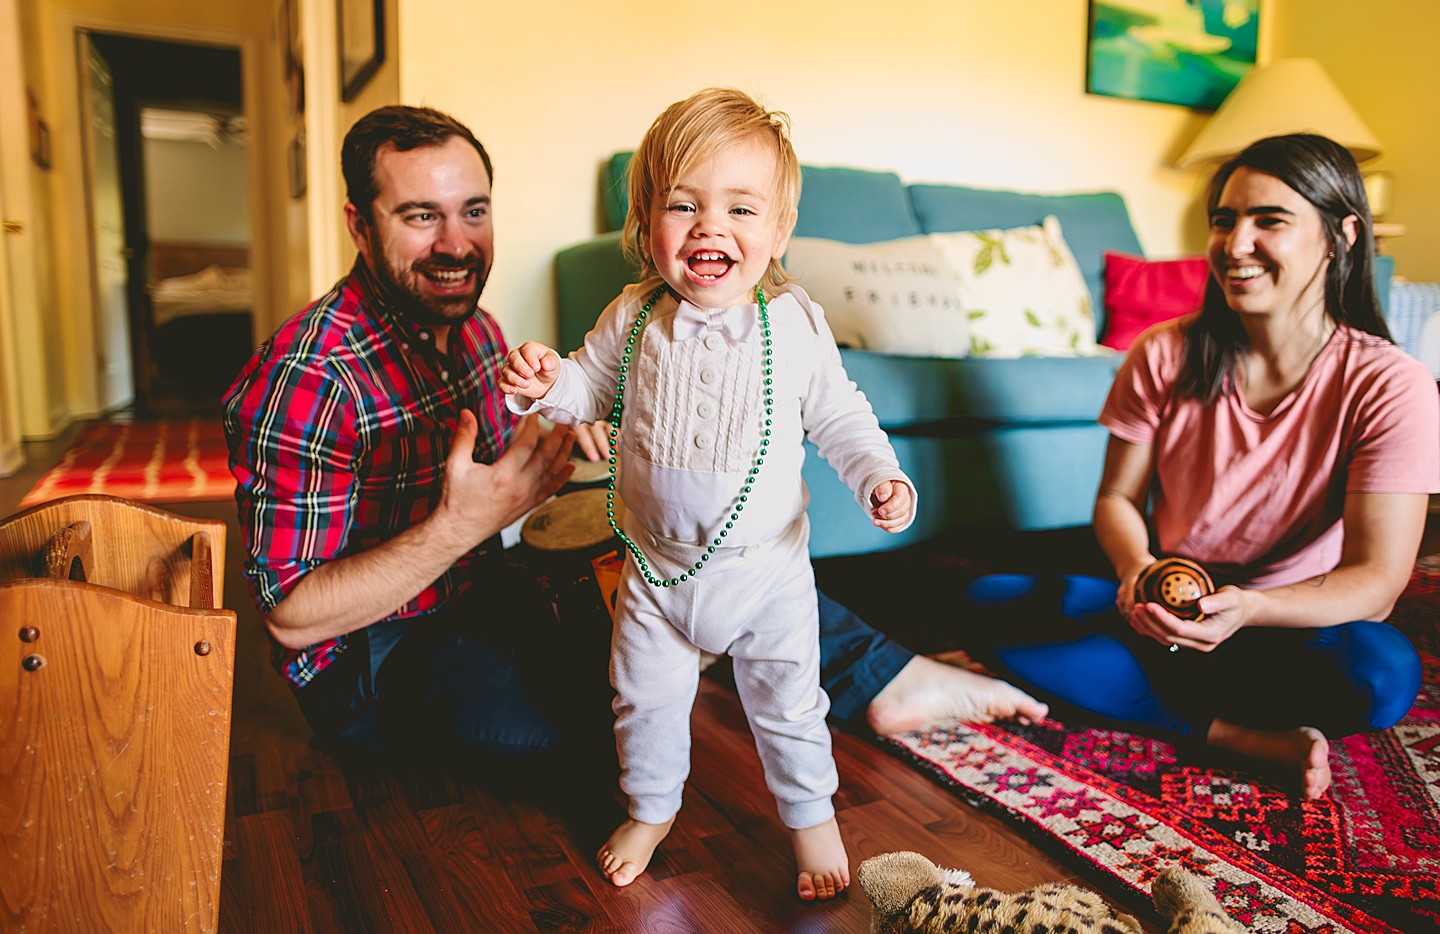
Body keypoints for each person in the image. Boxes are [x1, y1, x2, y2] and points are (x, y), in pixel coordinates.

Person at [222, 101, 1045, 858]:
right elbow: (293, 619)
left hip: (486, 580)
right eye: (419, 215)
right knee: (613, 727)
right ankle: (703, 739)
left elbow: (570, 400)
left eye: (472, 210)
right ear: (359, 227)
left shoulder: (472, 329)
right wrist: (468, 523)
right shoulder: (306, 378)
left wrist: (575, 411)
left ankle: (889, 676)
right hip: (373, 654)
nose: (455, 243)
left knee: (732, 558)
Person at [501, 88, 917, 899]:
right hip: (655, 572)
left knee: (789, 704)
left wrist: (878, 473)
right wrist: (546, 382)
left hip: (765, 574)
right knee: (643, 701)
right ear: (645, 226)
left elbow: (839, 412)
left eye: (739, 208)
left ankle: (812, 819)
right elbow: (585, 388)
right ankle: (651, 809)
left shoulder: (793, 323)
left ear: (778, 232)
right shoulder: (634, 316)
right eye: (682, 204)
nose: (709, 227)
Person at [964, 133, 1439, 800]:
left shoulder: (1391, 384)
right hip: (1165, 618)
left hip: (1290, 625)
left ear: (1341, 236)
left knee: (1383, 674)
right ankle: (1237, 734)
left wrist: (1249, 608)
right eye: (1224, 220)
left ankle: (1163, 699)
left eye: (1268, 220)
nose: (1234, 243)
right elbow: (1117, 501)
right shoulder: (1162, 352)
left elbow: (1379, 581)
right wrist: (1134, 572)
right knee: (987, 603)